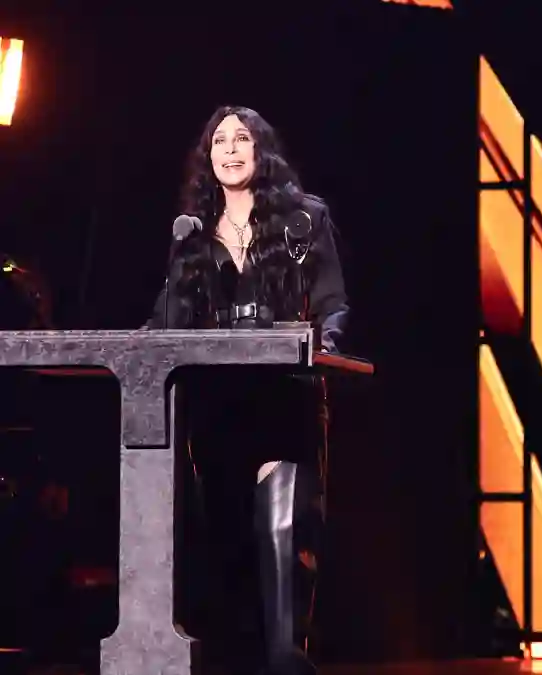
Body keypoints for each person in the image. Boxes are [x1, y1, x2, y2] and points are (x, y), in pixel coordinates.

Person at [146, 105, 349, 675]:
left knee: (282, 536)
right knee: (228, 546)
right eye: (219, 142)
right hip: (217, 406)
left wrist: (326, 344)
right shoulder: (193, 235)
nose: (230, 150)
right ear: (207, 159)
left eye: (241, 140)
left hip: (284, 395)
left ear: (262, 151)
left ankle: (288, 661)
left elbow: (332, 301)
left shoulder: (302, 221)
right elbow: (167, 318)